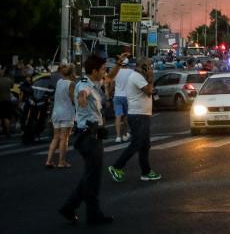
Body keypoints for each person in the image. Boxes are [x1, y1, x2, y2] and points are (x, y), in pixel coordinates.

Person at [59, 55, 113, 225]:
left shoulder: (94, 83)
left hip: (92, 136)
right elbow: (83, 93)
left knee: (90, 177)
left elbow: (110, 77)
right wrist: (81, 99)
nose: (105, 72)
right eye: (103, 69)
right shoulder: (84, 85)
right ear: (95, 71)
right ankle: (92, 214)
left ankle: (70, 207)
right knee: (93, 179)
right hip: (88, 137)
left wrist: (118, 65)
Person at [108, 58, 160, 183]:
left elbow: (149, 92)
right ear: (143, 67)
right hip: (138, 115)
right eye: (149, 66)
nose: (151, 68)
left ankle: (146, 172)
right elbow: (148, 90)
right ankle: (117, 166)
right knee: (137, 143)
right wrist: (151, 78)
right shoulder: (136, 76)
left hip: (142, 114)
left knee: (145, 145)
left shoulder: (139, 77)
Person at [46, 64, 76, 168]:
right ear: (72, 73)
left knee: (55, 138)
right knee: (64, 138)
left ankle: (49, 161)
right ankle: (61, 162)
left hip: (56, 112)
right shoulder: (71, 84)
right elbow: (73, 100)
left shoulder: (59, 82)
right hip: (66, 113)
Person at [108, 54, 133, 143]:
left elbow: (112, 85)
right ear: (127, 64)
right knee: (125, 117)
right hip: (127, 96)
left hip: (117, 96)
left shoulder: (116, 72)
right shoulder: (131, 72)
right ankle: (126, 133)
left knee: (118, 117)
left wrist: (110, 94)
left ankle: (118, 136)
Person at [0, 67, 14, 137]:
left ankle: (2, 130)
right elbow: (12, 87)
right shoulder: (9, 80)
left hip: (1, 101)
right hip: (8, 100)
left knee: (1, 117)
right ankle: (8, 132)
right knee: (7, 117)